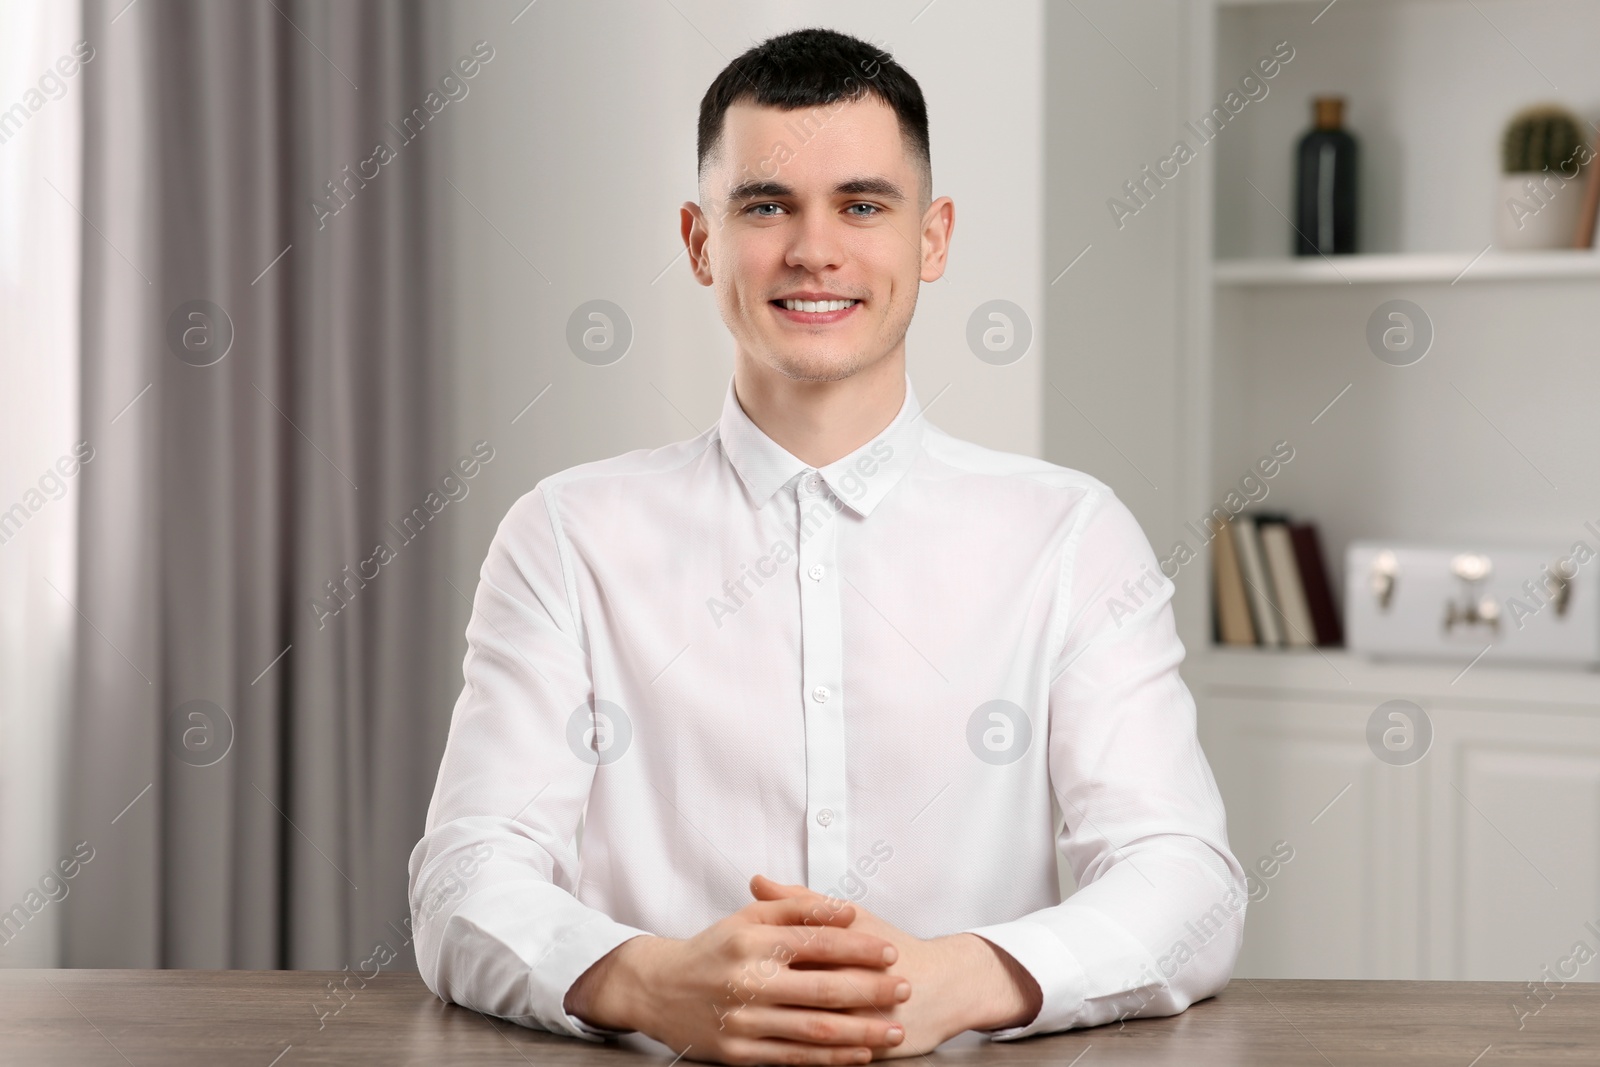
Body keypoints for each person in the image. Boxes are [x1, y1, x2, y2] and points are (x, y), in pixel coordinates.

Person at [409, 26, 1245, 1066]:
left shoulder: (1071, 536)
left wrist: (958, 979)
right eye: (765, 206)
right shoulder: (565, 535)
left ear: (931, 239)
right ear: (699, 240)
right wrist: (649, 982)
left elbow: (1186, 878)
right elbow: (464, 875)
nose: (815, 250)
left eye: (862, 205)